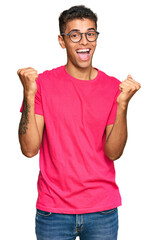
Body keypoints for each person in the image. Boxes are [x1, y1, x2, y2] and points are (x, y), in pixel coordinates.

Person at [17, 5, 141, 240]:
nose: (84, 41)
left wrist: (123, 104)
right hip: (53, 210)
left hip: (102, 210)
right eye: (75, 35)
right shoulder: (42, 84)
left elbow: (113, 153)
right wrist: (29, 94)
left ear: (96, 38)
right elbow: (29, 149)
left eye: (90, 33)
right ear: (62, 41)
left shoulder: (113, 87)